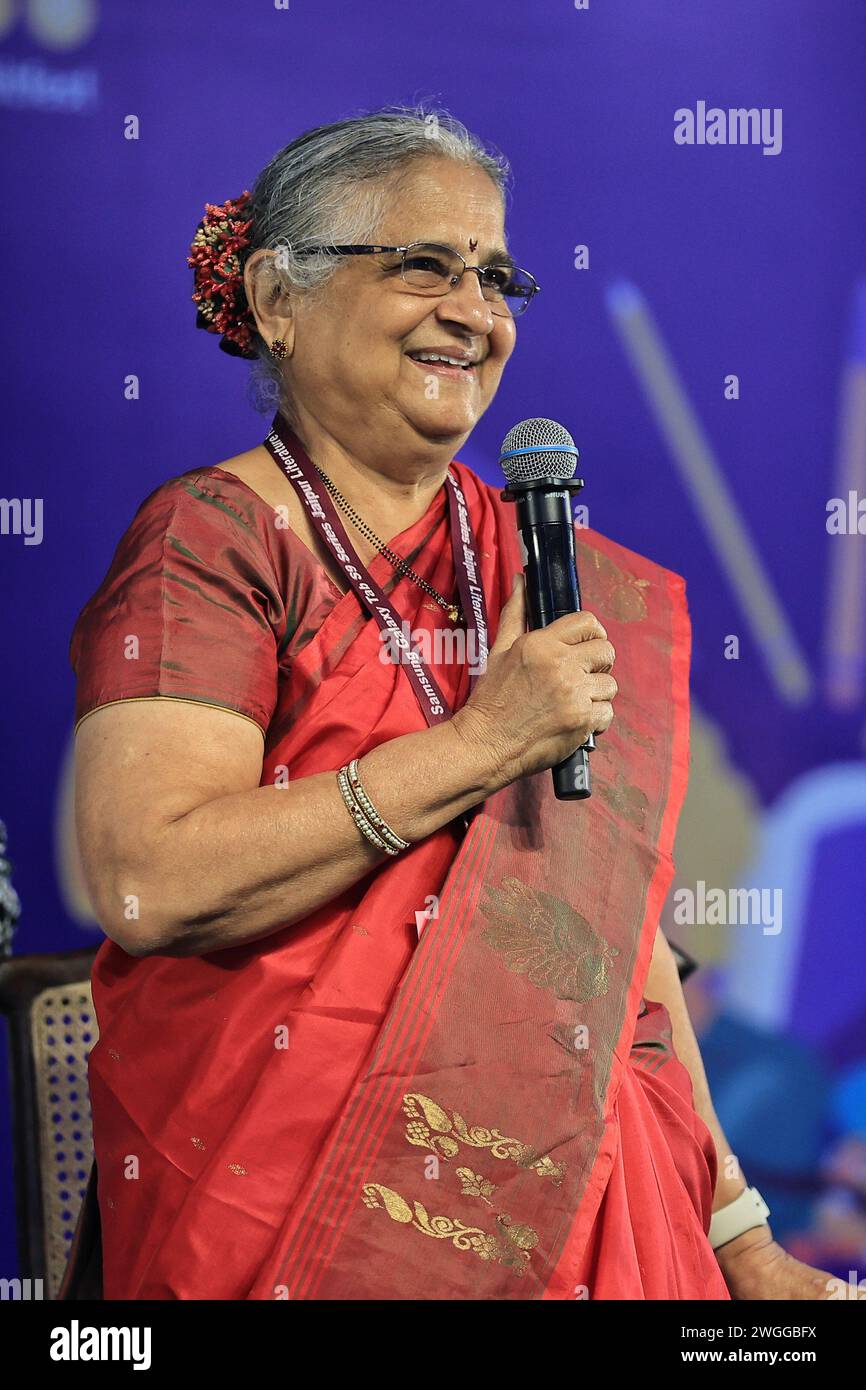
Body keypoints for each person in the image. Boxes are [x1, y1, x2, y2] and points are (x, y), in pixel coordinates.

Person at [67, 105, 834, 1300]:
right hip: (295, 1215)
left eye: (496, 275)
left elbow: (607, 948)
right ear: (276, 296)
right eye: (424, 263)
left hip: (583, 1208)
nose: (474, 312)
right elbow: (148, 879)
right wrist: (481, 745)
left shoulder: (543, 566)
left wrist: (736, 1237)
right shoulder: (215, 542)